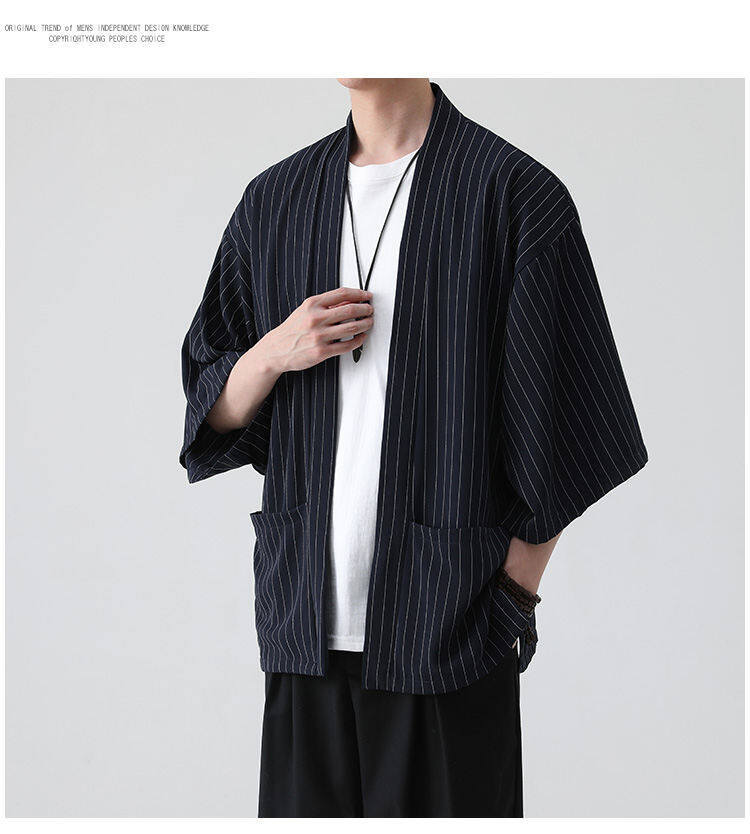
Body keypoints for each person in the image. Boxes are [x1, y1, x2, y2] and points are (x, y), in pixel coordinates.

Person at [179, 78, 648, 817]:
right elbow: (213, 410)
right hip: (303, 629)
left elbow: (572, 427)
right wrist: (272, 352)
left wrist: (511, 599)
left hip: (450, 632)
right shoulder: (276, 201)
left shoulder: (514, 195)